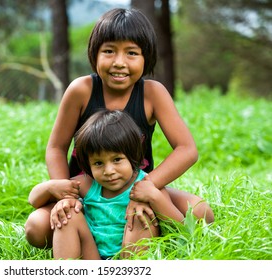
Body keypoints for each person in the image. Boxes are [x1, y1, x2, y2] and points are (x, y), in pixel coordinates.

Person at [25, 7, 214, 249]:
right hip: (88, 191)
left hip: (135, 187)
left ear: (147, 58)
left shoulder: (152, 94)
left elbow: (187, 149)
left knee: (202, 212)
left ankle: (141, 229)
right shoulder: (81, 90)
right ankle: (85, 233)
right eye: (109, 51)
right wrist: (67, 196)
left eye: (132, 53)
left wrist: (146, 188)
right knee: (36, 228)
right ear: (94, 55)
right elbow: (56, 148)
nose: (119, 63)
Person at [29, 110, 185, 259]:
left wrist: (154, 197)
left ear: (133, 155)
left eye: (117, 160)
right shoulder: (87, 185)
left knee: (142, 213)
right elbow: (34, 200)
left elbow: (181, 229)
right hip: (92, 258)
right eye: (98, 163)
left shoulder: (147, 187)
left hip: (131, 258)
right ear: (88, 165)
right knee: (67, 213)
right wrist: (50, 187)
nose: (109, 171)